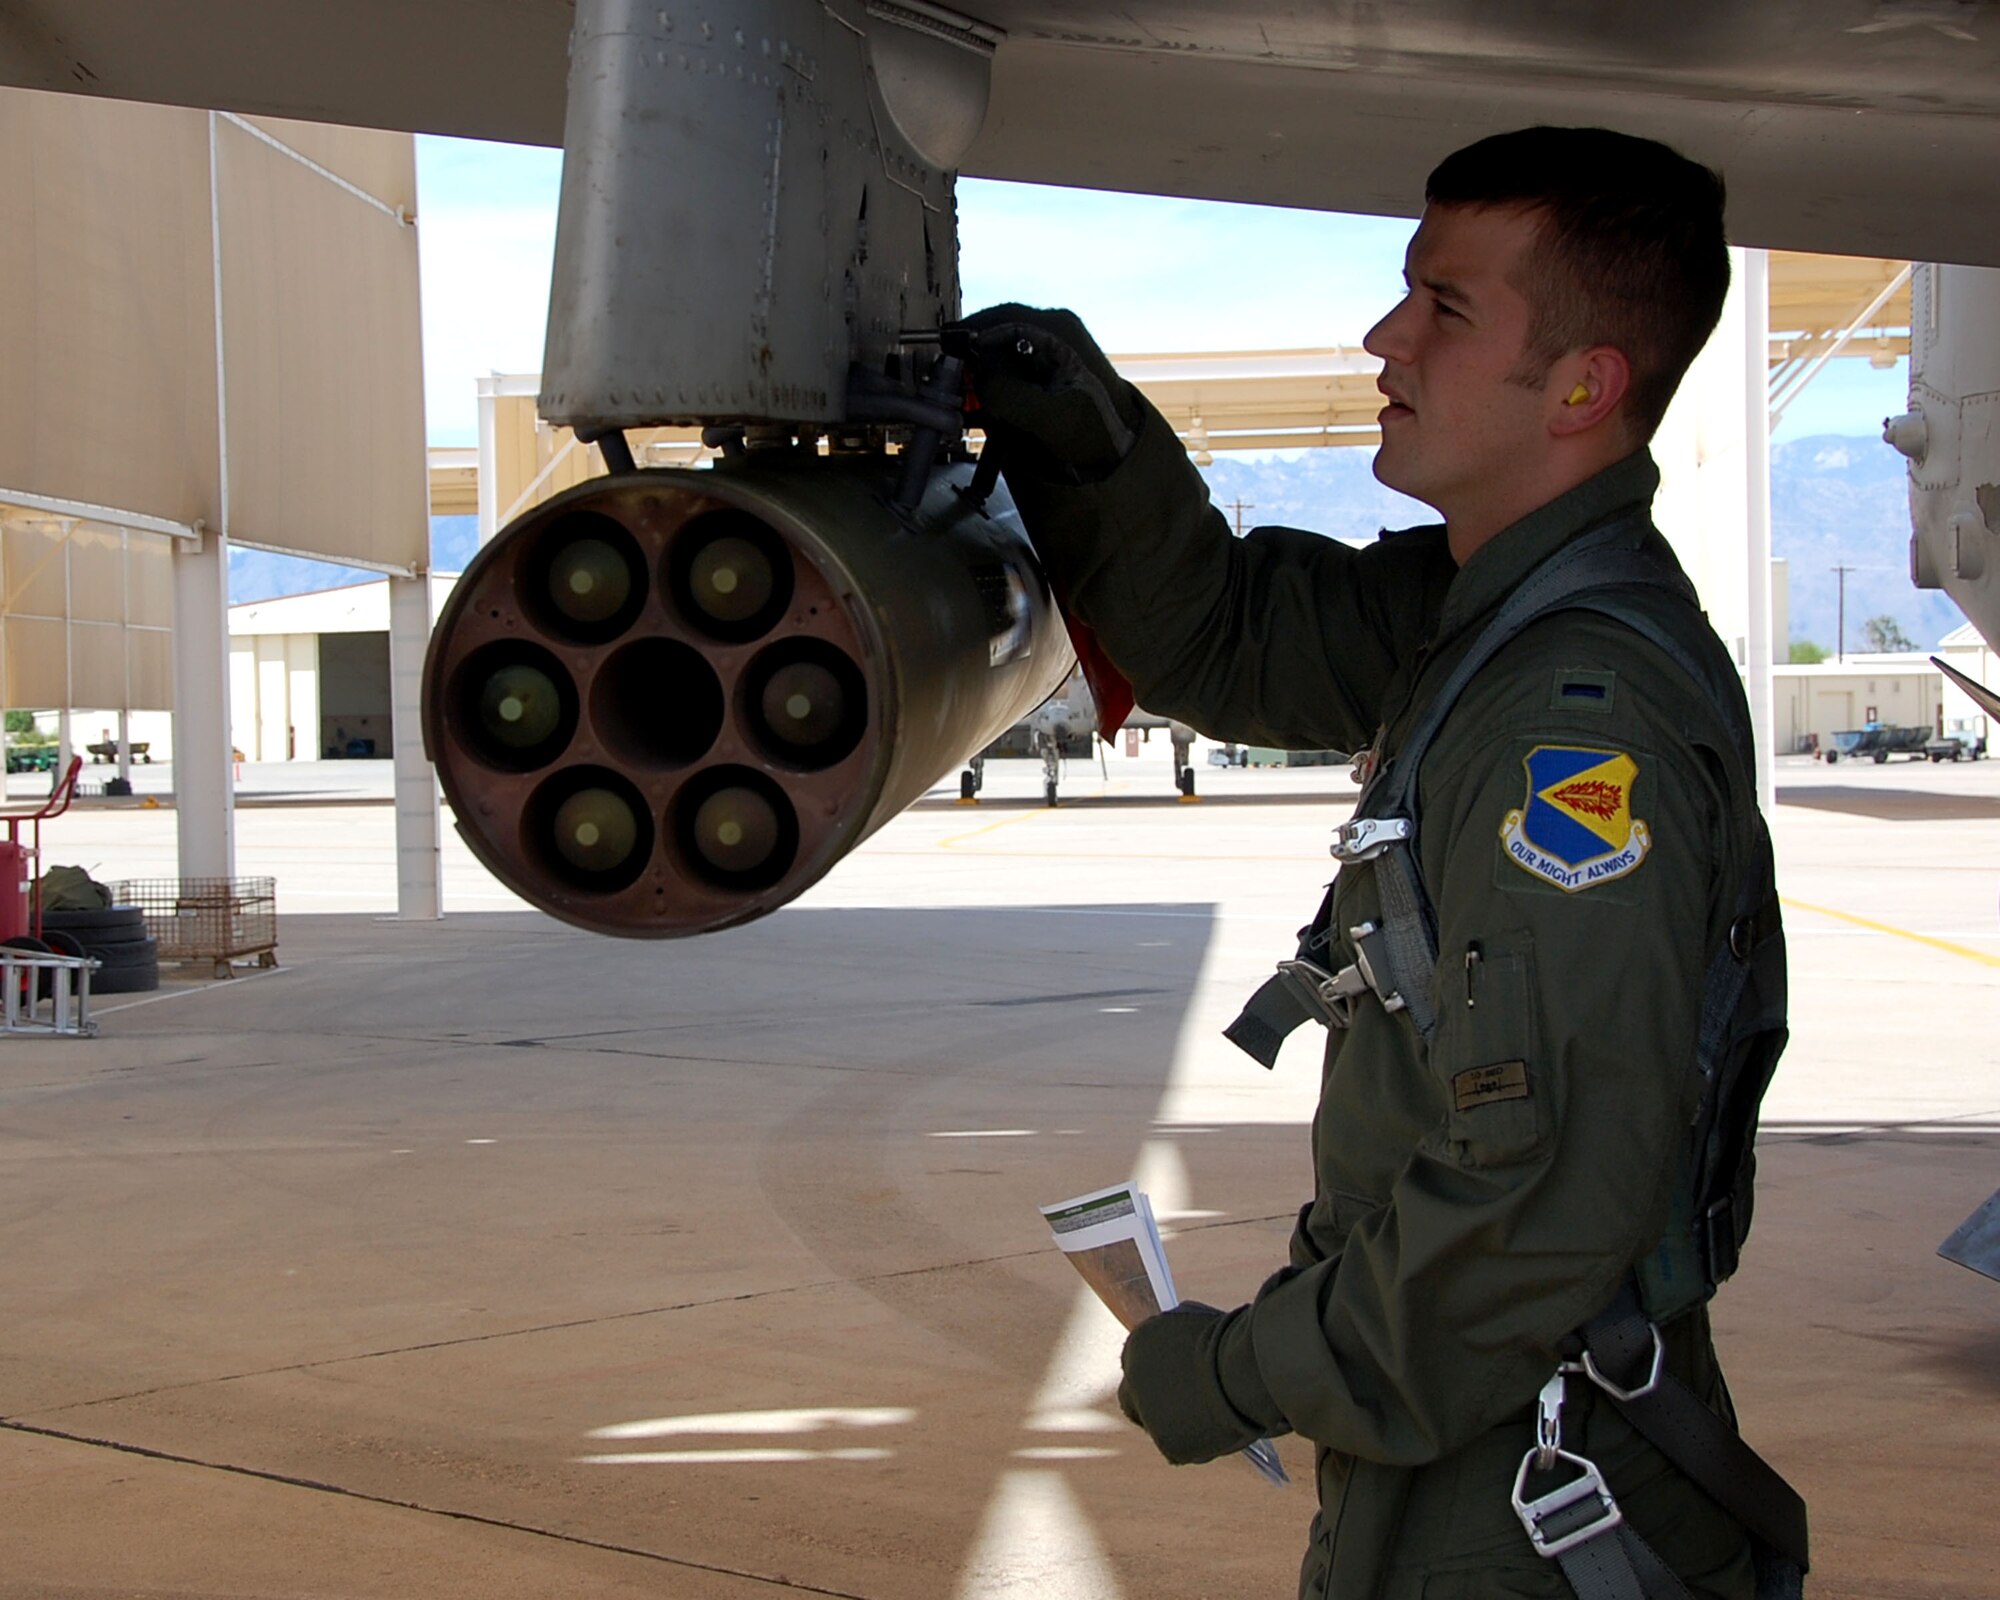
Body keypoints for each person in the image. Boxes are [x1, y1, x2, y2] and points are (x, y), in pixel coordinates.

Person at [963, 127, 1789, 1599]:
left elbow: (1539, 1214)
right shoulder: (1481, 613)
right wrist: (1091, 442)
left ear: (1586, 386)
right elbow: (1228, 633)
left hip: (1532, 1493)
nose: (1383, 337)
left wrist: (1231, 1372)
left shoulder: (1571, 724)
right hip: (1477, 1454)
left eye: (1446, 310)